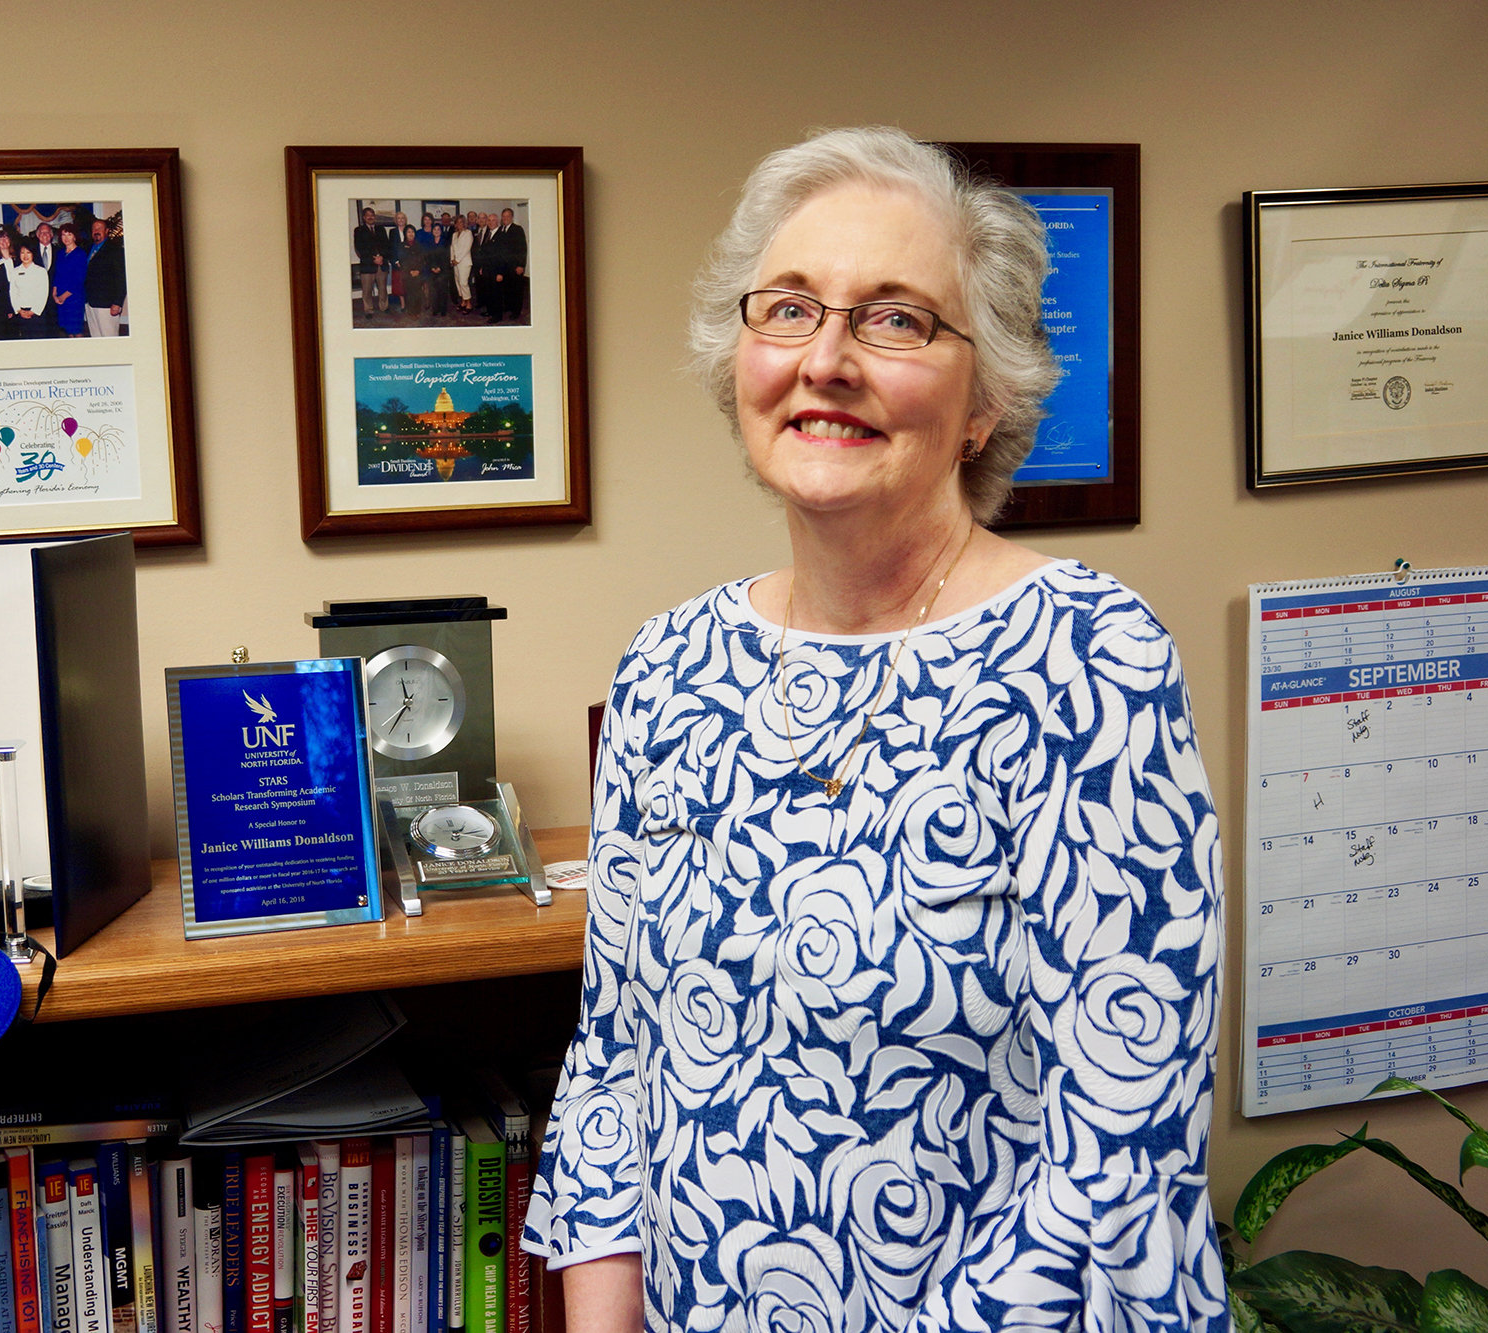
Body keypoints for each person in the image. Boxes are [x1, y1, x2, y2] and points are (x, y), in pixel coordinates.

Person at [522, 127, 1225, 1333]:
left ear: (984, 398)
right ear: (739, 355)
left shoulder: (1082, 658)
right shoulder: (668, 668)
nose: (826, 360)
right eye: (788, 309)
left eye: (894, 320)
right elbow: (614, 1067)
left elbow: (1118, 1153)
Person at [84, 217, 127, 337]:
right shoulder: (88, 249)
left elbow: (121, 278)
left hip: (107, 304)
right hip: (90, 302)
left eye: (100, 228)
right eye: (94, 228)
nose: (96, 230)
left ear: (107, 231)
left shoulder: (115, 250)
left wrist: (117, 303)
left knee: (109, 336)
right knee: (96, 336)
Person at [51, 222, 89, 336]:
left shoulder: (80, 254)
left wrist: (63, 296)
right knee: (67, 329)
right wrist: (54, 294)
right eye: (63, 235)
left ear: (75, 236)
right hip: (60, 295)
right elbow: (57, 274)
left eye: (69, 234)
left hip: (74, 297)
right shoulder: (61, 253)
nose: (66, 238)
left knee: (76, 329)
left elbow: (79, 279)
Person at [353, 206, 389, 319]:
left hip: (381, 264)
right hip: (368, 264)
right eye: (368, 215)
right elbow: (359, 248)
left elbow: (386, 245)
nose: (370, 217)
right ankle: (369, 310)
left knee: (383, 288)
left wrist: (382, 257)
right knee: (367, 290)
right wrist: (374, 258)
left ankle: (384, 307)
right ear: (364, 217)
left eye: (372, 215)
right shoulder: (358, 230)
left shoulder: (381, 229)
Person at [8, 242, 51, 337]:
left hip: (37, 313)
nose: (25, 255)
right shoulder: (15, 271)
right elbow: (13, 292)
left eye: (28, 252)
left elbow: (43, 293)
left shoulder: (40, 271)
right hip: (21, 313)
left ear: (33, 254)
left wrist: (34, 311)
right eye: (22, 252)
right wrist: (18, 309)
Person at [449, 214, 475, 313]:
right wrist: (452, 259)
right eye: (457, 222)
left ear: (464, 223)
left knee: (463, 283)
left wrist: (458, 259)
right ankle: (463, 302)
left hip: (464, 262)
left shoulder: (468, 233)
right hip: (455, 262)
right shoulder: (454, 234)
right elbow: (452, 247)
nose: (459, 224)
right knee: (458, 282)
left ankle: (469, 304)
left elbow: (466, 248)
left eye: (461, 222)